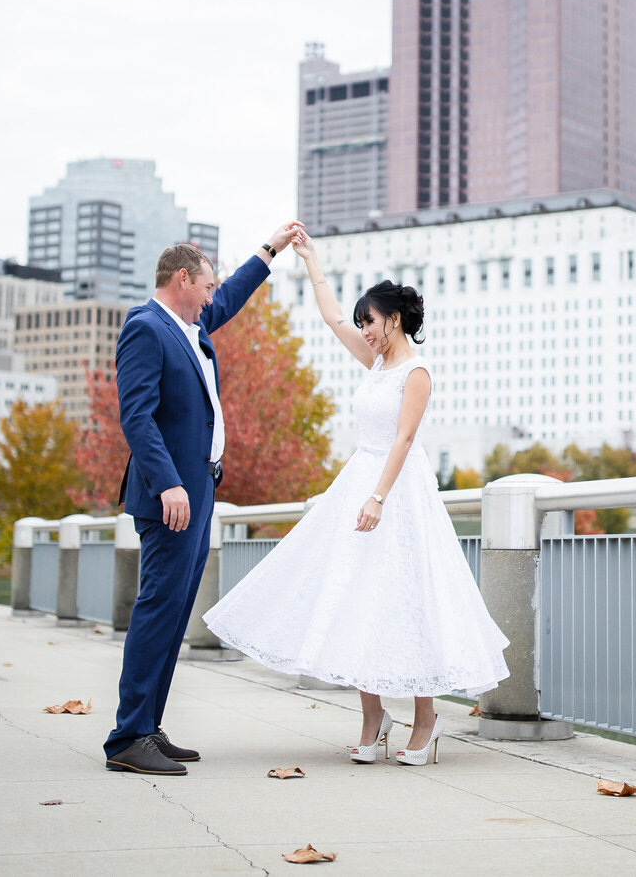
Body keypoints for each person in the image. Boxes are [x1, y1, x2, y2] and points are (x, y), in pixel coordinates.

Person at [204, 229, 509, 766]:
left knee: (409, 599)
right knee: (357, 595)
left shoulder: (415, 372)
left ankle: (426, 718)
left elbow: (405, 439)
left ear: (393, 318)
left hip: (397, 492)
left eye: (370, 321)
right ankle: (373, 715)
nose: (364, 331)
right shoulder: (373, 362)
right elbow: (331, 318)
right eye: (362, 323)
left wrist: (378, 498)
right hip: (358, 482)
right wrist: (311, 261)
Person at [104, 228, 301, 776]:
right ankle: (126, 736)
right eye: (206, 286)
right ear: (182, 279)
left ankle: (146, 727)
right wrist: (168, 483)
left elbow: (233, 294)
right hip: (172, 495)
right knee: (158, 611)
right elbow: (136, 416)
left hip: (199, 489)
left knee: (173, 615)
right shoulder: (147, 328)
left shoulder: (192, 326)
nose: (213, 296)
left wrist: (269, 252)